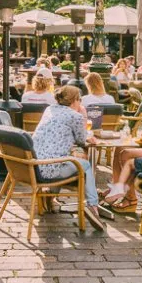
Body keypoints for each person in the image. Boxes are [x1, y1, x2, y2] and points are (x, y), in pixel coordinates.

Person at [31, 85, 106, 230]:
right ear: (75, 101)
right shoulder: (75, 116)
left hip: (34, 166)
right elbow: (80, 139)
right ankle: (92, 205)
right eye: (80, 100)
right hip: (50, 169)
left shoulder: (49, 110)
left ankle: (51, 194)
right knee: (85, 165)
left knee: (64, 157)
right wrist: (85, 123)